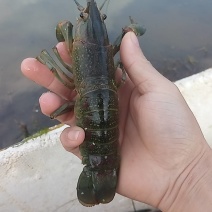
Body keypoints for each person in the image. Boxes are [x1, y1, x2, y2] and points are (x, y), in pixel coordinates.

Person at [21, 32, 212, 211]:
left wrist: (188, 175)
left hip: (98, 119)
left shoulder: (78, 46)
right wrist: (188, 176)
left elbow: (62, 32)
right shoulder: (109, 54)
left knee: (53, 98)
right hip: (105, 114)